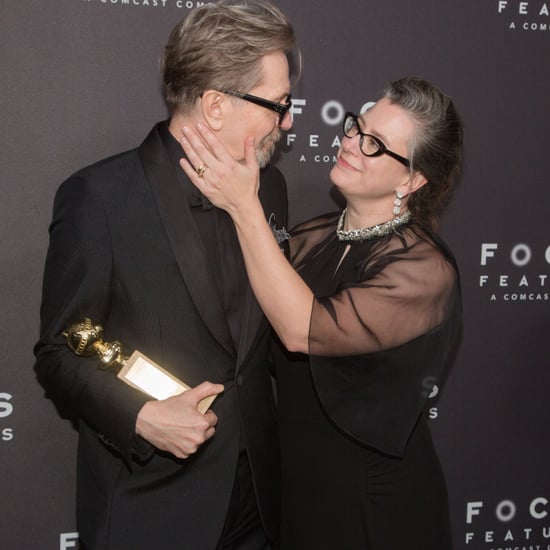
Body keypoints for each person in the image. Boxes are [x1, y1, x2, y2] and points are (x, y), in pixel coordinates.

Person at [33, 1, 297, 549]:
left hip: (261, 506)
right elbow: (65, 345)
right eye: (279, 103)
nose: (289, 121)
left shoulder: (270, 190)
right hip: (153, 505)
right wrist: (141, 414)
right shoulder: (101, 197)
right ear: (216, 106)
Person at [179, 76, 463, 549]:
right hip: (298, 492)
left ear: (412, 180)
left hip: (373, 505)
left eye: (375, 145)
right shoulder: (310, 237)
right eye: (357, 127)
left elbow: (301, 331)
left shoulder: (423, 269)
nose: (351, 142)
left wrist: (243, 205)